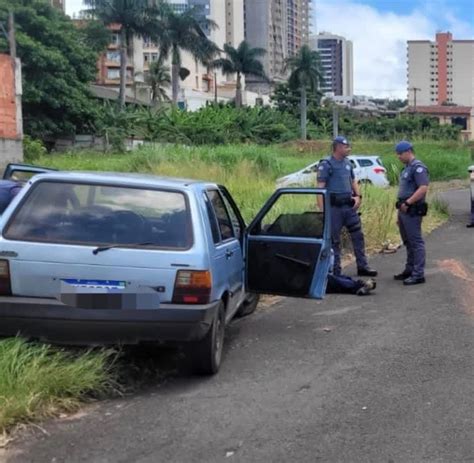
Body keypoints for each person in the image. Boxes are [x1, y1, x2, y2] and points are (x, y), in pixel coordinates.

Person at [317, 136, 377, 277]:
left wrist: (358, 196)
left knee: (358, 235)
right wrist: (322, 210)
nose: (348, 149)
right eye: (346, 147)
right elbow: (319, 189)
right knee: (334, 240)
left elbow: (353, 180)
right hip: (334, 208)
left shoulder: (348, 163)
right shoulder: (326, 164)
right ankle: (336, 271)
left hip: (349, 207)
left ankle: (363, 266)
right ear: (337, 147)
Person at [393, 141, 429, 285]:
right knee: (407, 242)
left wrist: (408, 202)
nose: (398, 157)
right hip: (403, 210)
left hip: (412, 209)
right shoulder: (407, 168)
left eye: (400, 153)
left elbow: (423, 188)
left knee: (416, 242)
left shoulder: (418, 168)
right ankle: (410, 269)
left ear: (408, 151)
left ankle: (418, 274)